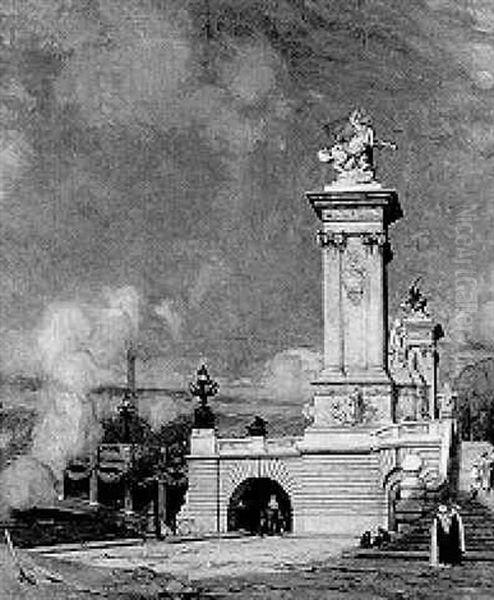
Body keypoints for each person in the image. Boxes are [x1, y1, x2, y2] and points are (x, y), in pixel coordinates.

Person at [430, 503, 465, 567]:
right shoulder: (438, 518)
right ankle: (443, 560)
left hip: (452, 536)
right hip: (443, 535)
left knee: (452, 547)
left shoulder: (454, 517)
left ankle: (452, 560)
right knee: (443, 547)